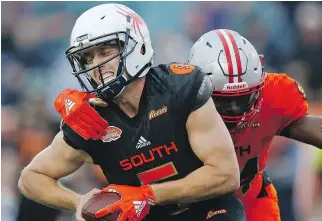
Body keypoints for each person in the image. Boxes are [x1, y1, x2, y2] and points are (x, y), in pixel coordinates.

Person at [18, 4, 246, 221]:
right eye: (88, 58)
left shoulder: (179, 89)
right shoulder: (91, 119)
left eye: (104, 51)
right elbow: (31, 178)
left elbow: (226, 175)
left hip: (209, 210)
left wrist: (147, 195)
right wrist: (78, 201)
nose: (96, 64)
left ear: (136, 46)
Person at [187, 29, 322, 221]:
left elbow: (304, 127)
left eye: (244, 98)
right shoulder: (173, 108)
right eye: (223, 101)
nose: (235, 109)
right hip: (190, 206)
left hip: (250, 199)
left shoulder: (272, 97)